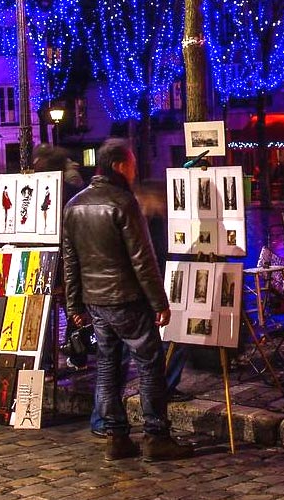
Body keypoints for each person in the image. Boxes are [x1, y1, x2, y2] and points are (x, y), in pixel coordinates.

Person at [62, 138, 193, 461]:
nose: (135, 171)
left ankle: (116, 437)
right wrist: (159, 302)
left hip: (96, 301)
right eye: (132, 164)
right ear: (120, 165)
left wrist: (75, 305)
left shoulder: (74, 205)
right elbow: (142, 259)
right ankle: (156, 435)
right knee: (149, 365)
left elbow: (71, 259)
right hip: (127, 298)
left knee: (107, 366)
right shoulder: (123, 202)